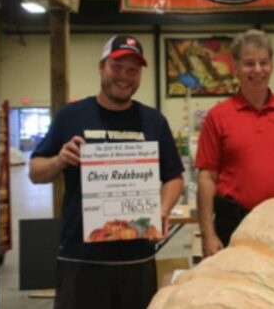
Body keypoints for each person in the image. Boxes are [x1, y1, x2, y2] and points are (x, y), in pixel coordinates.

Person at [29, 35, 184, 309]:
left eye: (133, 70)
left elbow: (173, 176)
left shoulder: (154, 121)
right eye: (117, 67)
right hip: (81, 258)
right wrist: (59, 160)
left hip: (137, 259)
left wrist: (162, 208)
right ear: (101, 67)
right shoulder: (71, 115)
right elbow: (35, 172)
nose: (125, 76)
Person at [195, 29, 274, 257]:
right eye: (249, 63)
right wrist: (208, 235)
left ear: (272, 65)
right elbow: (206, 178)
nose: (258, 70)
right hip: (235, 225)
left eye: (264, 62)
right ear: (236, 68)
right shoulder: (217, 117)